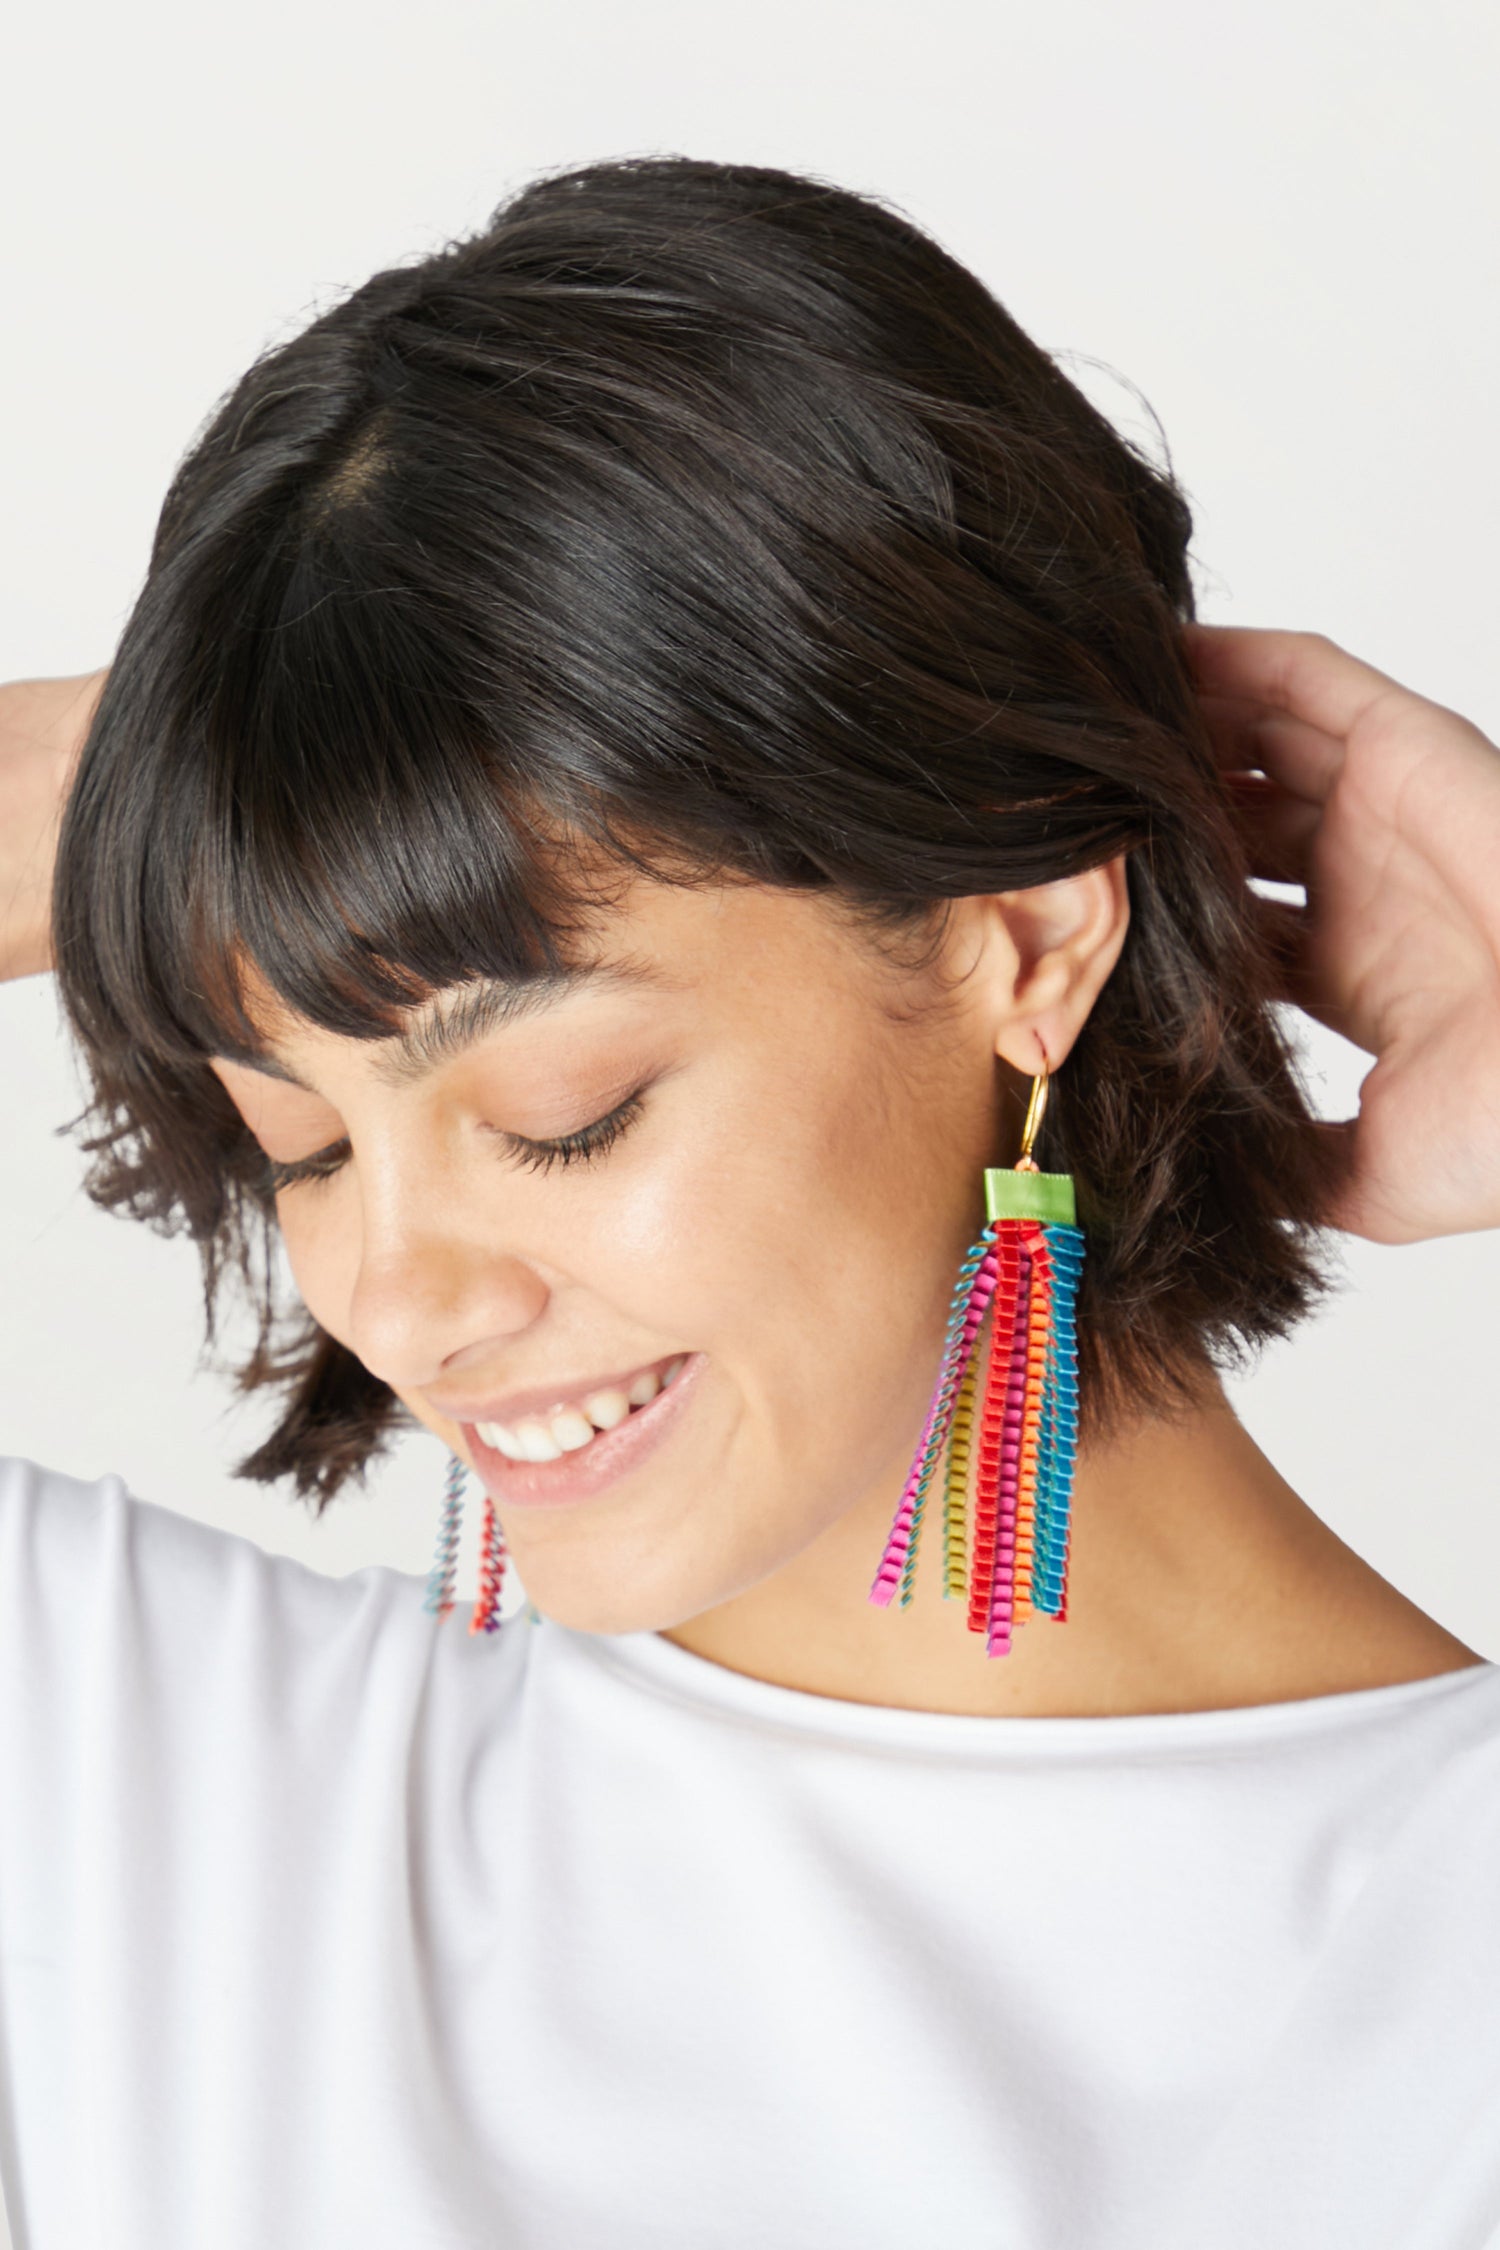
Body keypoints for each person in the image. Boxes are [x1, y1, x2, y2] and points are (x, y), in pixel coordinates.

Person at [3, 154, 1500, 2249]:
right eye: (307, 1149)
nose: (406, 1300)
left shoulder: (1454, 1982)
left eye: (566, 1111)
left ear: (1023, 945)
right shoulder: (152, 1792)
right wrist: (232, 740)